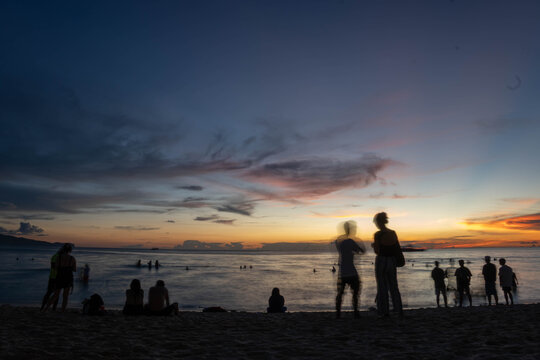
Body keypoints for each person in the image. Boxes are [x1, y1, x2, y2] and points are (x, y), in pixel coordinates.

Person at [372, 212, 403, 318]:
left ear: (378, 222)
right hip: (392, 261)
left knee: (382, 287)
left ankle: (384, 311)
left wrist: (373, 245)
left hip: (381, 260)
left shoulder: (378, 234)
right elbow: (397, 248)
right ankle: (398, 309)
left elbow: (377, 251)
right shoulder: (393, 233)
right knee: (394, 286)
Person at [335, 220, 366, 319]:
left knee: (340, 293)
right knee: (355, 292)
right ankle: (356, 313)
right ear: (350, 229)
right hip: (351, 271)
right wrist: (358, 247)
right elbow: (361, 251)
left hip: (342, 271)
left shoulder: (338, 241)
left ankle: (338, 314)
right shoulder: (350, 241)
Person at [43, 243, 76, 312]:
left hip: (59, 277)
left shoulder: (59, 257)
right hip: (68, 278)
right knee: (65, 296)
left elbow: (55, 268)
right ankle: (62, 311)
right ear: (70, 250)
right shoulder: (72, 258)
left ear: (63, 249)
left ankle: (46, 309)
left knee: (56, 295)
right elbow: (74, 269)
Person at [40, 245, 63, 311]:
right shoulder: (56, 257)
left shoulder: (55, 256)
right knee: (53, 293)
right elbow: (53, 266)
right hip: (55, 277)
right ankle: (48, 307)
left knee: (52, 293)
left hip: (53, 277)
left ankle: (45, 307)